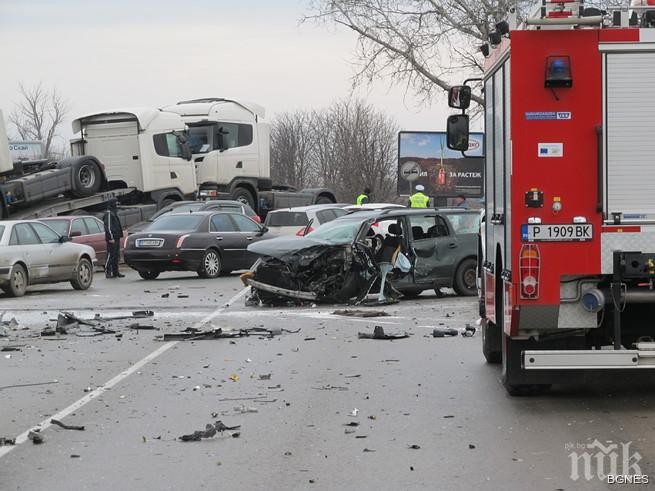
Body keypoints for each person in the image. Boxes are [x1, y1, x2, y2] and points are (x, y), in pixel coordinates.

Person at [103, 198, 124, 278]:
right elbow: (108, 227)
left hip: (116, 237)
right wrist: (110, 238)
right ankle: (108, 271)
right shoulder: (108, 214)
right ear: (112, 204)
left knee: (116, 255)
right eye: (116, 203)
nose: (117, 205)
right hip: (112, 238)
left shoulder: (113, 213)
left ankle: (116, 272)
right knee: (110, 255)